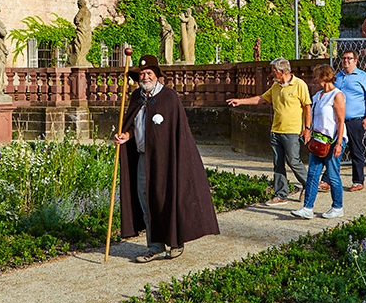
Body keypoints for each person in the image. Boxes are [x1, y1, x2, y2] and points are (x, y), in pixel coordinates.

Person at [113, 54, 220, 262]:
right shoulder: (136, 97)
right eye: (142, 74)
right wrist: (126, 135)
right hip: (144, 158)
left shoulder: (169, 97)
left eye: (149, 73)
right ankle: (154, 247)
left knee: (166, 199)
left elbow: (177, 133)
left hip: (166, 160)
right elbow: (134, 125)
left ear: (157, 76)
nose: (145, 77)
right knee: (146, 200)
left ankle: (175, 241)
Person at [227, 57, 311, 205]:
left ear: (282, 71)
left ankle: (309, 185)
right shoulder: (276, 86)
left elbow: (307, 107)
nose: (272, 74)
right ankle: (281, 194)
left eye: (274, 71)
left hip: (292, 130)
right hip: (276, 129)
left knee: (293, 161)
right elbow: (262, 99)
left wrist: (307, 128)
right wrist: (240, 101)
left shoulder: (299, 84)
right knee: (278, 163)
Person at [291, 64, 347, 219]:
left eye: (317, 76)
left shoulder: (337, 95)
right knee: (313, 175)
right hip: (318, 140)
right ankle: (307, 207)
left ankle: (337, 206)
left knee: (333, 175)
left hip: (333, 139)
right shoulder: (317, 96)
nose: (314, 79)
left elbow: (341, 121)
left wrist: (339, 143)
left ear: (324, 76)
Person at [334, 49, 366, 191]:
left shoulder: (364, 77)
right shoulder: (337, 77)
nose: (346, 61)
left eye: (349, 58)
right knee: (334, 149)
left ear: (355, 61)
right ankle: (329, 179)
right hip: (338, 121)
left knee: (356, 151)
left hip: (355, 120)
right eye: (344, 58)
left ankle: (358, 180)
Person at [68, 0, 92, 68]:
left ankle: (79, 60)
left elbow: (76, 19)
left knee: (79, 43)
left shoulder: (82, 11)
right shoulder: (88, 11)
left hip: (81, 29)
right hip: (87, 29)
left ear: (80, 5)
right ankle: (81, 59)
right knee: (85, 44)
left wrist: (78, 23)